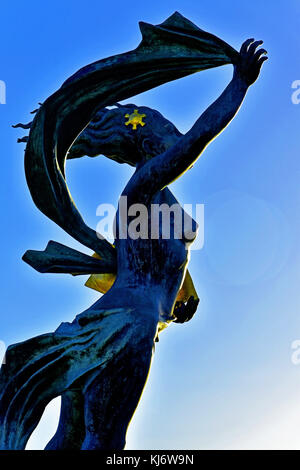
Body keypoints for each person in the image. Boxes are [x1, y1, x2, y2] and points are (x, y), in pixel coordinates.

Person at [0, 38, 267, 450]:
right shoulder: (141, 190)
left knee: (69, 439)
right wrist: (239, 86)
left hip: (111, 322)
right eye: (167, 137)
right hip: (129, 325)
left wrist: (177, 301)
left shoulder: (160, 208)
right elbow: (196, 139)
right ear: (152, 147)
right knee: (104, 443)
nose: (175, 140)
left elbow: (163, 266)